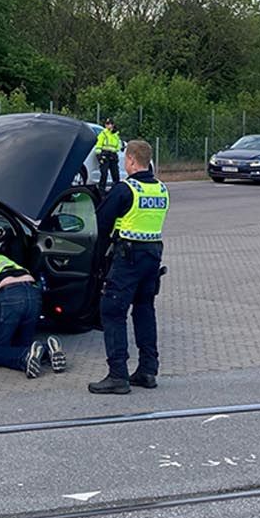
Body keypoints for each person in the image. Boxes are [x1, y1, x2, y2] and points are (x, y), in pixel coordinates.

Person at [89, 139, 168, 395]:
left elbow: (101, 223)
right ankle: (147, 370)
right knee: (144, 310)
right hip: (153, 257)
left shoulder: (126, 189)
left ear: (132, 160)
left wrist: (97, 259)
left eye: (126, 159)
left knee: (112, 311)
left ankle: (117, 375)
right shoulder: (161, 189)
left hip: (128, 257)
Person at [0, 252, 67, 379]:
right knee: (21, 345)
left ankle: (24, 357)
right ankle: (48, 350)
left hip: (10, 295)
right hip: (33, 293)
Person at [95, 119, 122, 193]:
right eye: (106, 123)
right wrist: (99, 155)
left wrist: (116, 150)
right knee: (104, 174)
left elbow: (119, 145)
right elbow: (98, 145)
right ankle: (101, 191)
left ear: (112, 125)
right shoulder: (103, 133)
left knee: (115, 174)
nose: (107, 125)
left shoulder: (116, 135)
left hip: (113, 156)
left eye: (109, 123)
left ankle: (116, 190)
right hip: (105, 155)